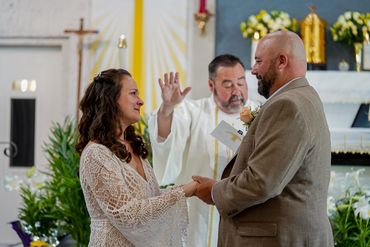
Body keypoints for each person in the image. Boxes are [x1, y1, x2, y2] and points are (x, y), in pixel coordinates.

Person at [193, 30, 334, 246]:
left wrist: (213, 191)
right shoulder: (305, 96)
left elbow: (261, 182)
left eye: (258, 61)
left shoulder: (287, 105)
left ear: (281, 61)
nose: (254, 70)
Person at [76, 68, 198, 247]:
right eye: (133, 94)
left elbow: (149, 200)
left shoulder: (132, 146)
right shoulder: (96, 154)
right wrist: (185, 191)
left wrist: (189, 188)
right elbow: (128, 214)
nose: (140, 101)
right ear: (110, 99)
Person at [148, 54, 256, 246]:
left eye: (241, 82)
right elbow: (166, 137)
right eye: (228, 85)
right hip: (198, 217)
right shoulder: (193, 112)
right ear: (211, 85)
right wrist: (167, 109)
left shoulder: (260, 115)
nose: (237, 90)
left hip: (242, 217)